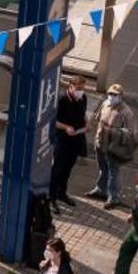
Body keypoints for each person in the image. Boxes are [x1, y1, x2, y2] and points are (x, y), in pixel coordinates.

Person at [90, 85, 138, 206]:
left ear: (121, 96)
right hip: (100, 142)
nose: (112, 96)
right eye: (110, 93)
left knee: (113, 172)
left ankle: (114, 196)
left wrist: (115, 133)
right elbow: (97, 118)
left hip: (113, 148)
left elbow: (131, 132)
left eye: (115, 94)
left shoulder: (126, 113)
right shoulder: (105, 104)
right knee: (102, 168)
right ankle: (101, 189)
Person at [48, 77, 89, 208]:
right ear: (70, 87)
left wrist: (86, 123)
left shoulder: (83, 98)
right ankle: (51, 196)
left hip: (77, 138)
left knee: (68, 168)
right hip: (63, 140)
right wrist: (66, 127)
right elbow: (53, 121)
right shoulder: (62, 101)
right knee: (58, 169)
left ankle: (62, 193)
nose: (80, 91)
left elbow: (83, 114)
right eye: (78, 89)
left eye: (82, 89)